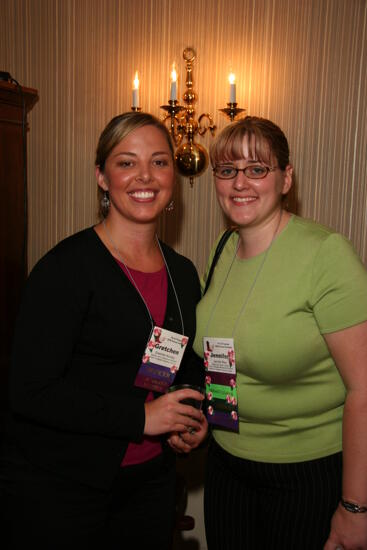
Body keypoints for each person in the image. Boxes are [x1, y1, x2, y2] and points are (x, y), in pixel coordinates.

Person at [1, 112, 207, 549]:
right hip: (63, 488)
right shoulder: (66, 269)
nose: (145, 176)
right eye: (126, 162)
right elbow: (29, 390)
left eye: (159, 161)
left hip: (152, 484)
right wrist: (142, 418)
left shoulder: (182, 273)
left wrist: (190, 417)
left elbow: (183, 360)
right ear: (101, 177)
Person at [193, 116, 367, 549]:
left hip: (306, 474)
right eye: (227, 170)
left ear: (285, 178)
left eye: (257, 169)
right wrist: (203, 420)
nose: (240, 183)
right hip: (226, 465)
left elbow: (364, 391)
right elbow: (223, 355)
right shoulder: (224, 248)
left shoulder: (326, 254)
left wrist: (355, 509)